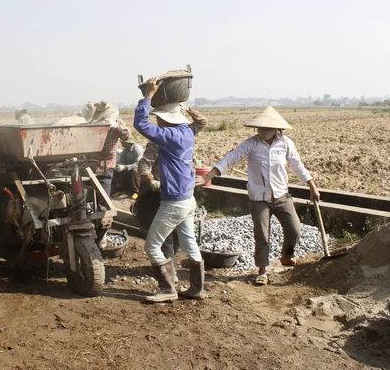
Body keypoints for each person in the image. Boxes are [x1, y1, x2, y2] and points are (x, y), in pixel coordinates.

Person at [196, 107, 321, 285]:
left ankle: (287, 255)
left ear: (276, 129)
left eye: (266, 128)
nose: (262, 131)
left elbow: (297, 166)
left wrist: (312, 186)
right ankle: (262, 270)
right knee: (262, 234)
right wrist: (208, 176)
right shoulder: (251, 144)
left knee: (295, 229)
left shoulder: (285, 143)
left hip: (281, 196)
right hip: (259, 198)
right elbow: (230, 158)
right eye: (260, 128)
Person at [134, 77, 206, 303]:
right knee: (189, 243)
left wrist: (147, 96)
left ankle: (168, 289)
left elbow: (141, 124)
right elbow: (202, 122)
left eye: (160, 119)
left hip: (173, 201)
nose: (159, 122)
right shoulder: (186, 133)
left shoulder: (169, 136)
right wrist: (188, 109)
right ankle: (197, 288)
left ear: (165, 120)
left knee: (152, 245)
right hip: (188, 199)